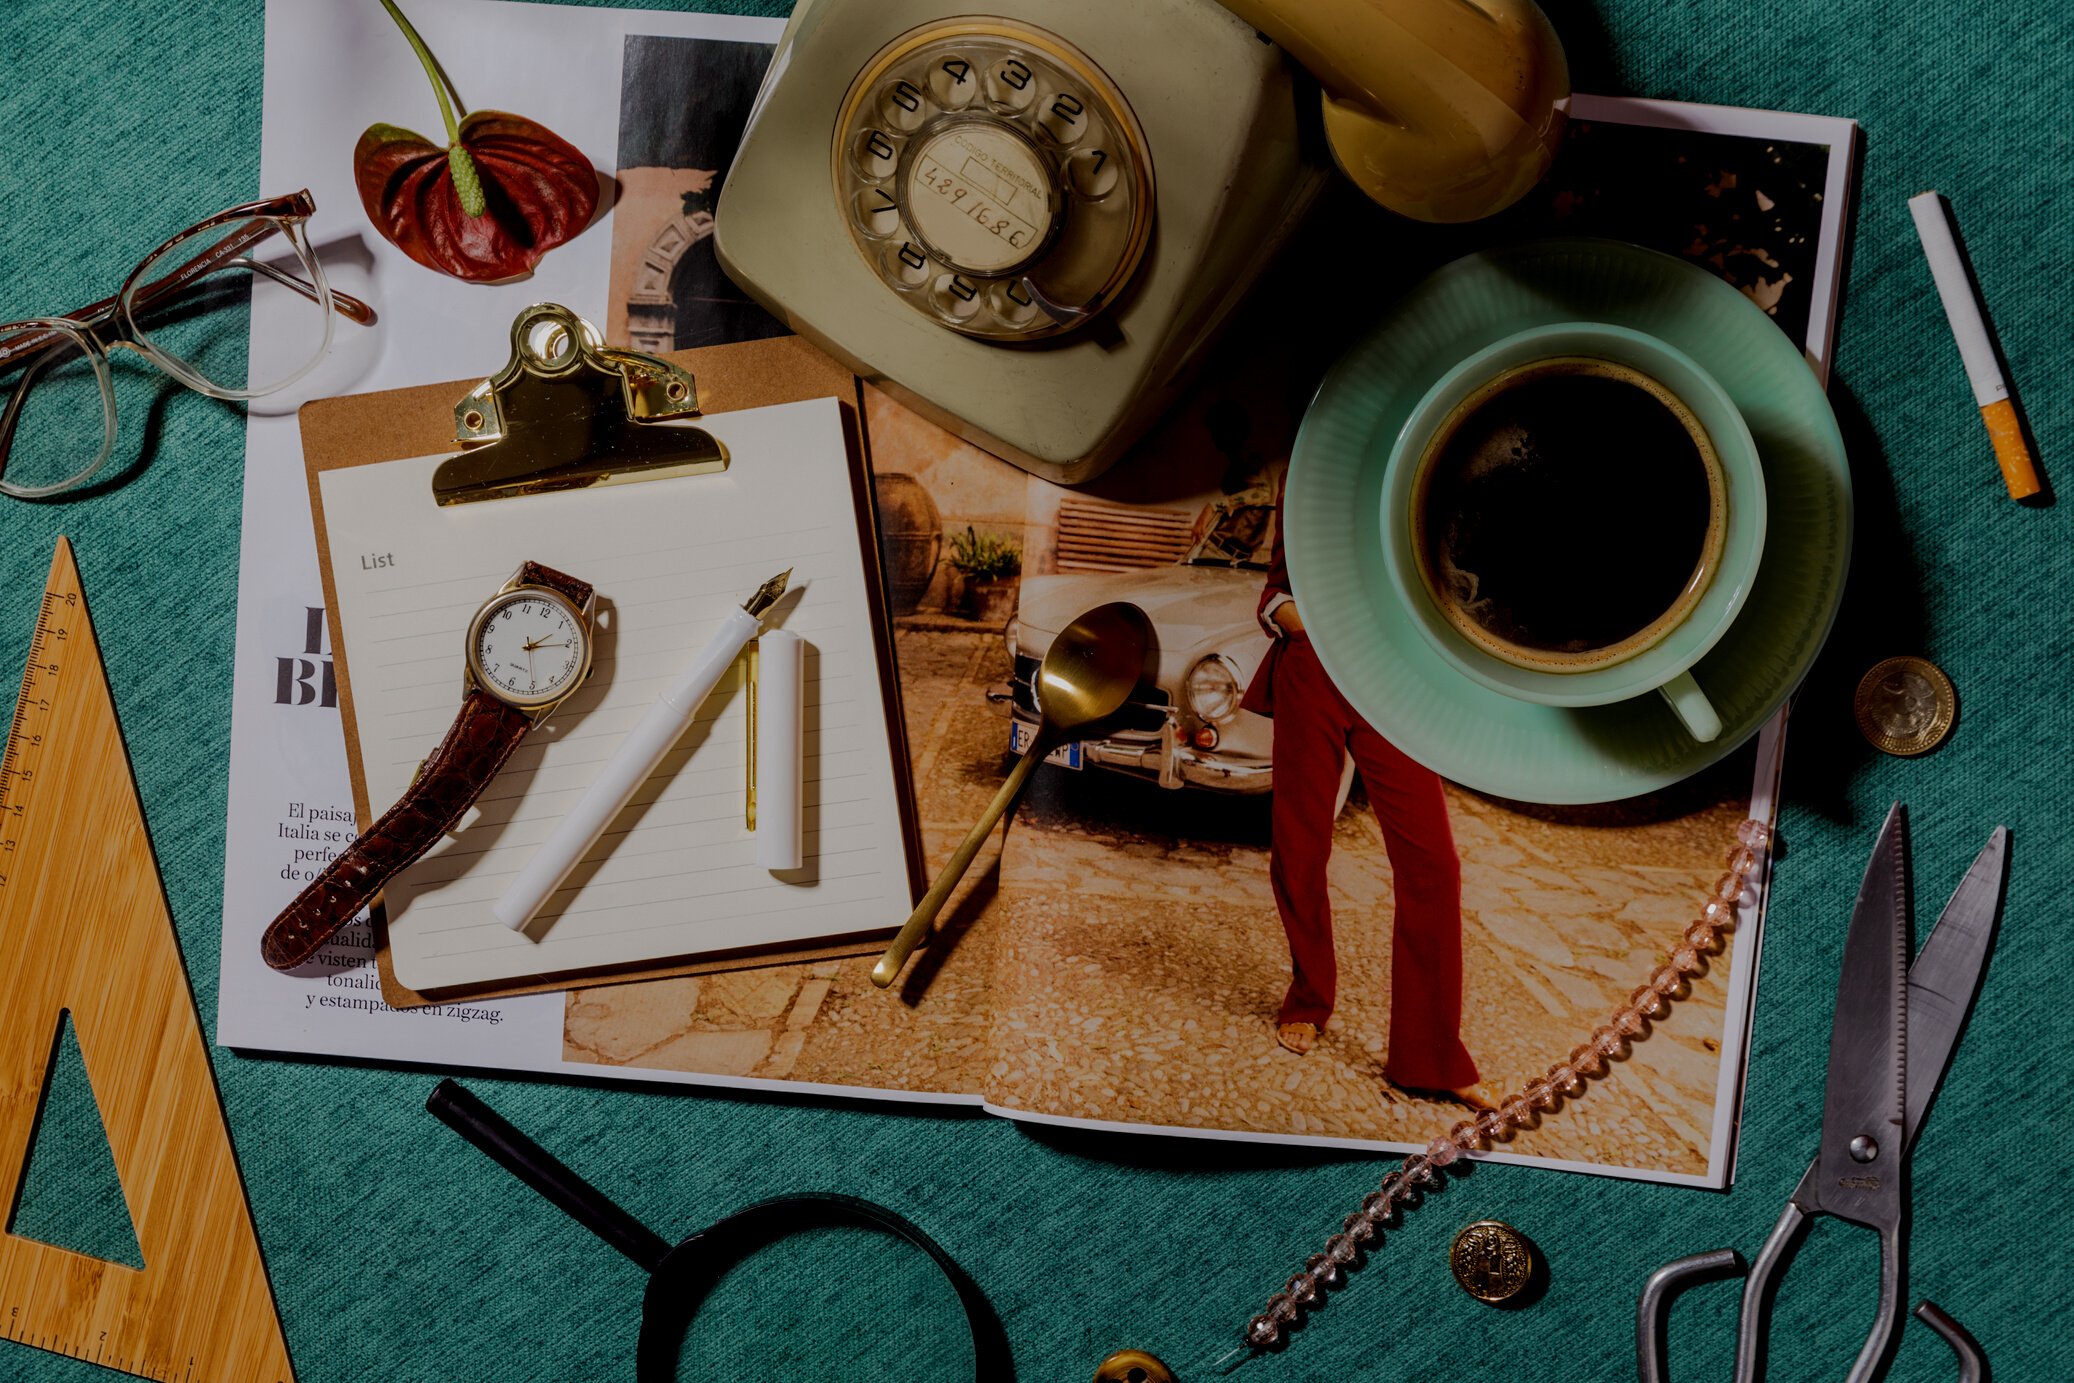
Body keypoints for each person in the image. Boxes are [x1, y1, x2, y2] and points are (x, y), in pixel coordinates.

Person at [1240, 475, 1489, 1108]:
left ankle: (1429, 1056)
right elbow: (1275, 593)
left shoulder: (1429, 464)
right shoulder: (1312, 466)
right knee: (1299, 847)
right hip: (1315, 672)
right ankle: (1309, 996)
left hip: (1390, 679)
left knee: (1433, 861)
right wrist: (1310, 629)